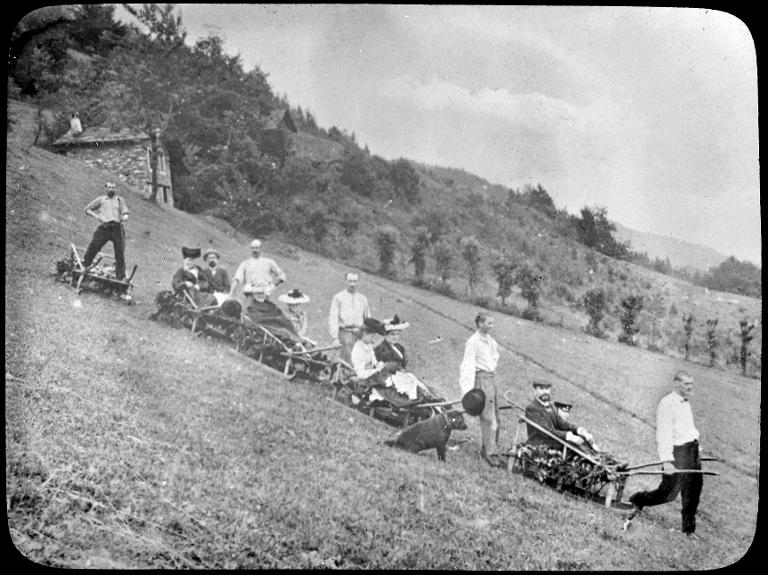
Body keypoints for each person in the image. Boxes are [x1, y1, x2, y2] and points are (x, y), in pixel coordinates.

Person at [629, 371, 704, 538]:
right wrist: (667, 461)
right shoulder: (667, 403)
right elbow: (663, 434)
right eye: (686, 384)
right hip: (678, 453)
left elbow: (689, 428)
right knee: (668, 493)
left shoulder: (686, 403)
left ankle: (689, 530)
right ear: (676, 384)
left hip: (692, 450)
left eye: (691, 384)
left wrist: (697, 447)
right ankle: (638, 499)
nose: (690, 387)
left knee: (693, 491)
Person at [459, 311, 502, 467]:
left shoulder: (490, 340)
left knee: (497, 416)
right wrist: (467, 390)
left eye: (492, 323)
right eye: (489, 323)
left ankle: (489, 448)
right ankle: (490, 454)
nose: (492, 326)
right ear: (480, 324)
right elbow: (467, 365)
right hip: (481, 380)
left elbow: (495, 356)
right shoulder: (473, 342)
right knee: (488, 418)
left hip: (491, 379)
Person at [82, 182, 130, 298]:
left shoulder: (120, 200)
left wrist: (124, 217)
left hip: (117, 228)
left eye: (113, 187)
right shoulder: (101, 200)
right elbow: (87, 209)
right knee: (94, 246)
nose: (111, 189)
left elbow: (125, 213)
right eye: (109, 187)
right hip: (105, 227)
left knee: (120, 252)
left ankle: (120, 277)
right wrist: (98, 217)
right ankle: (85, 265)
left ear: (115, 189)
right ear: (105, 189)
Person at [525, 380, 596, 453]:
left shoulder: (550, 406)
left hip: (550, 439)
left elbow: (561, 423)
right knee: (572, 444)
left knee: (582, 437)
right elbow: (546, 431)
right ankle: (591, 460)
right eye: (541, 389)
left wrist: (579, 430)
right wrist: (570, 436)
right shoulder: (532, 408)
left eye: (547, 389)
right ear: (535, 390)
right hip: (539, 443)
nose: (545, 392)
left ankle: (597, 455)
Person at [328, 272, 371, 363]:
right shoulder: (338, 298)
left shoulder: (363, 299)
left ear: (358, 283)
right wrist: (335, 338)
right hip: (344, 334)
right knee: (345, 361)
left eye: (355, 281)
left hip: (359, 335)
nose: (352, 284)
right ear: (345, 282)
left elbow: (368, 320)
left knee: (359, 361)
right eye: (350, 281)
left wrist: (367, 335)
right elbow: (333, 319)